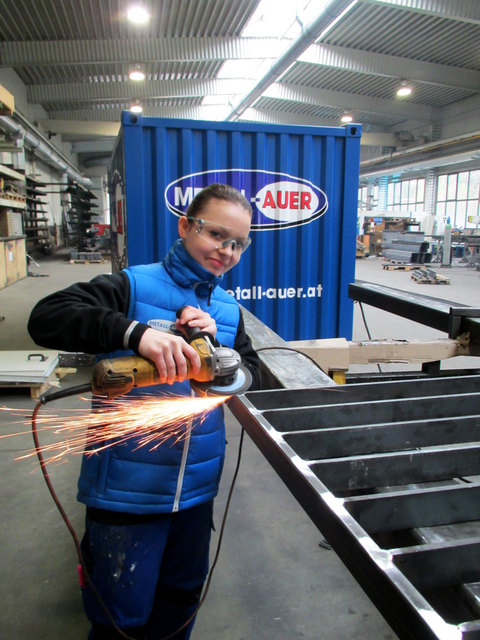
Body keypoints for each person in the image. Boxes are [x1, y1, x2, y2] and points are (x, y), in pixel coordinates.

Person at [28, 183, 261, 640]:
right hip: (126, 495)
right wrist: (134, 333)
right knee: (120, 618)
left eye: (238, 243)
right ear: (185, 226)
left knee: (178, 605)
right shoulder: (132, 285)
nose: (226, 251)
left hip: (196, 493)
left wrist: (219, 349)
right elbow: (47, 316)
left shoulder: (229, 310)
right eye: (216, 235)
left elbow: (249, 373)